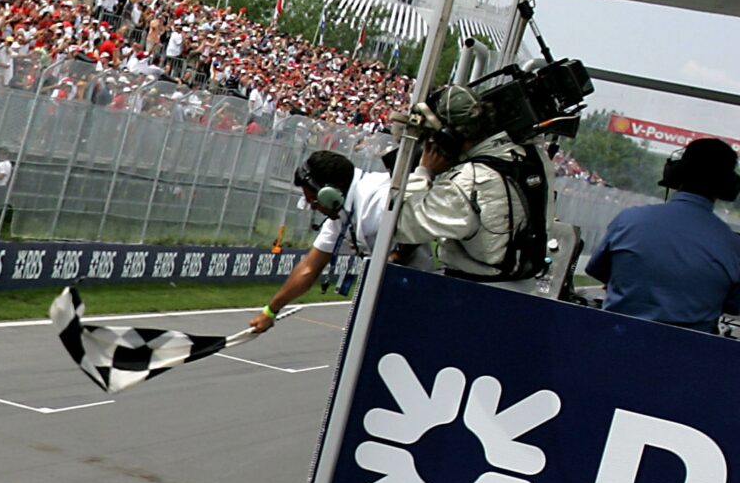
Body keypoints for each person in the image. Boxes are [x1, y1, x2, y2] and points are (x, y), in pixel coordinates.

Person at [393, 87, 551, 286]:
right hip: (522, 287)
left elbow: (399, 223)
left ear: (447, 137)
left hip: (472, 293)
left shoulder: (469, 182)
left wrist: (424, 171)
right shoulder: (532, 156)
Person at [584, 136, 740, 333]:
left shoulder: (628, 220)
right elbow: (734, 305)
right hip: (689, 357)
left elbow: (598, 270)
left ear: (675, 173)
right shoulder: (733, 247)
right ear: (728, 185)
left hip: (614, 343)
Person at [251, 149, 393, 332]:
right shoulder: (339, 212)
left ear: (331, 193)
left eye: (314, 201)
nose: (314, 208)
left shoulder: (378, 200)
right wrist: (270, 311)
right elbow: (309, 267)